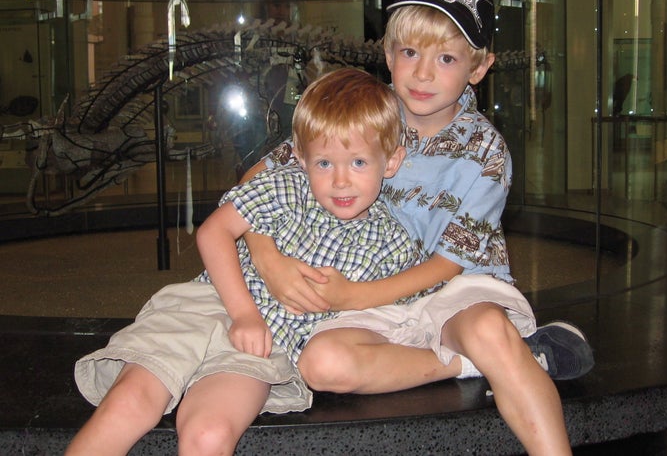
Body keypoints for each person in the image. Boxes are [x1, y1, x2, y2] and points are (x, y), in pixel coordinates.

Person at [243, 0, 594, 455]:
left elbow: (447, 266)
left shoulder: (485, 150)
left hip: (453, 290)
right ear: (388, 55)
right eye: (409, 52)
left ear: (479, 67)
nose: (423, 73)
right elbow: (254, 182)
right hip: (374, 293)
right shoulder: (363, 116)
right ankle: (472, 362)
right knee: (320, 366)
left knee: (487, 328)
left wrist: (352, 299)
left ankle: (505, 373)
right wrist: (268, 260)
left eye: (447, 58)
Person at [65, 67, 421, 456]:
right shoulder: (284, 186)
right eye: (324, 163)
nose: (340, 180)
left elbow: (402, 312)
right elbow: (213, 232)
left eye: (358, 163)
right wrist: (245, 314)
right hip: (209, 304)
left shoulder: (394, 243)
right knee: (130, 401)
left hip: (268, 347)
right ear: (301, 158)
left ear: (390, 161)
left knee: (210, 433)